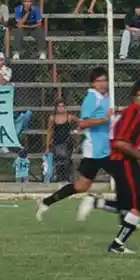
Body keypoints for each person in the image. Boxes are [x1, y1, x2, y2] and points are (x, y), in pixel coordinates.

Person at [78, 77, 140, 253]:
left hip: (126, 163)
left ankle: (97, 203)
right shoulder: (132, 114)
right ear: (134, 96)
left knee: (129, 204)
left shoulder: (134, 114)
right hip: (123, 163)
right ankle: (117, 245)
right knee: (138, 206)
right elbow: (120, 142)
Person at [35, 67, 112, 221]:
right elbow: (82, 124)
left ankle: (46, 201)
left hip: (105, 147)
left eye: (105, 80)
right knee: (128, 182)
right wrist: (104, 120)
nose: (103, 84)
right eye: (99, 81)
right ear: (93, 83)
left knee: (82, 186)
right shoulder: (92, 98)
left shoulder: (107, 98)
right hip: (97, 149)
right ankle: (126, 220)